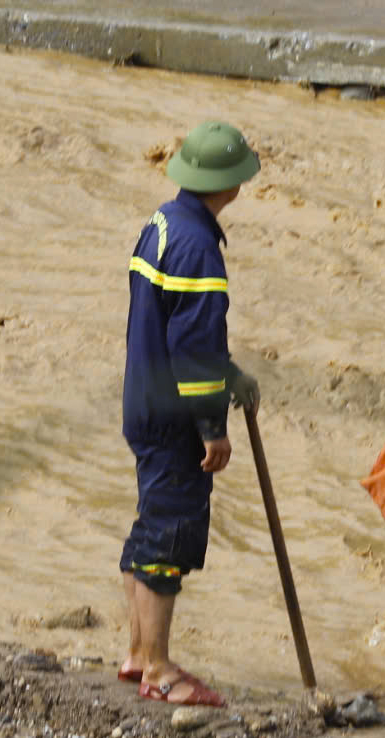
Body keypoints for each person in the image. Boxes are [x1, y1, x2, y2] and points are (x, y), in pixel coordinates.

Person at [116, 119, 263, 706]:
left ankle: (136, 653)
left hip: (144, 400)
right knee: (168, 539)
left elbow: (169, 326)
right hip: (176, 416)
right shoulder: (199, 247)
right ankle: (158, 669)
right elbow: (195, 346)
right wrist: (213, 426)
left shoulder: (162, 223)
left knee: (151, 526)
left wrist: (230, 375)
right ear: (229, 185)